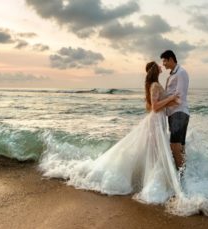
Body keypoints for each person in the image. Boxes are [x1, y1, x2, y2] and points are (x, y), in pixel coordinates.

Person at [67, 61, 183, 205]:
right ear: (155, 70)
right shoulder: (154, 85)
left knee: (154, 151)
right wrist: (171, 98)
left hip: (159, 121)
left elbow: (159, 104)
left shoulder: (155, 85)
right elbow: (155, 107)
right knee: (154, 151)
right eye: (158, 65)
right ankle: (154, 183)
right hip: (155, 121)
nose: (161, 66)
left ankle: (156, 179)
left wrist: (175, 101)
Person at [160, 50, 190, 172]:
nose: (163, 64)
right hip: (173, 114)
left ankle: (180, 176)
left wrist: (162, 105)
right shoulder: (171, 75)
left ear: (171, 59)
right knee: (180, 146)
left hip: (179, 112)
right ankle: (184, 175)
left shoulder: (181, 72)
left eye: (165, 61)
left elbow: (180, 97)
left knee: (175, 145)